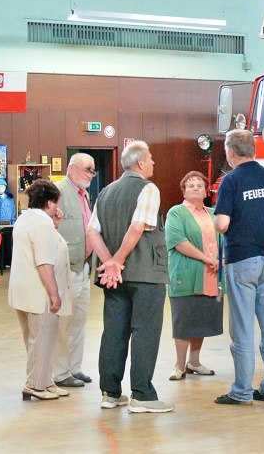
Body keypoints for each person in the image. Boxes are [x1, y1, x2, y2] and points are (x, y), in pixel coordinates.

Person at [85, 141, 173, 414]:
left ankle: (110, 393)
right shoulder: (148, 189)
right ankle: (142, 395)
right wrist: (118, 260)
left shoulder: (106, 191)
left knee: (114, 331)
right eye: (151, 159)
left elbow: (92, 232)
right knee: (145, 331)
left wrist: (109, 263)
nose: (153, 163)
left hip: (115, 279)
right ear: (140, 163)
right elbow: (138, 227)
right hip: (146, 274)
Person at [213, 129, 264, 406]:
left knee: (242, 328)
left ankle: (241, 391)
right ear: (254, 150)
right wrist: (261, 222)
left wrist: (234, 222)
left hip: (242, 259)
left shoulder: (231, 181)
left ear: (230, 152)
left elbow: (222, 223)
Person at [7, 179, 71, 401]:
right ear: (52, 202)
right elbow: (44, 262)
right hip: (38, 292)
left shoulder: (25, 219)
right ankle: (35, 384)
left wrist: (55, 225)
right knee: (42, 339)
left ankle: (45, 380)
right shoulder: (42, 224)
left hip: (22, 291)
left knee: (34, 340)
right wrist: (55, 294)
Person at [165, 171, 224, 381]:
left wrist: (222, 260)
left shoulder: (214, 213)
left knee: (201, 320)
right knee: (184, 321)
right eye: (191, 186)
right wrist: (207, 259)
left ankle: (194, 362)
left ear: (206, 190)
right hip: (186, 276)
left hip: (211, 276)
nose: (196, 188)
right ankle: (179, 365)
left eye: (200, 185)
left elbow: (223, 241)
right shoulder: (176, 213)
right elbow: (179, 242)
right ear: (183, 190)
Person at [52, 153, 97, 388]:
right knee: (63, 322)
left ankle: (74, 367)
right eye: (86, 169)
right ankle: (59, 372)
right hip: (64, 269)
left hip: (83, 267)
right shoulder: (57, 191)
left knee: (79, 321)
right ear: (71, 168)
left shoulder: (85, 195)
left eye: (92, 170)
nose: (90, 174)